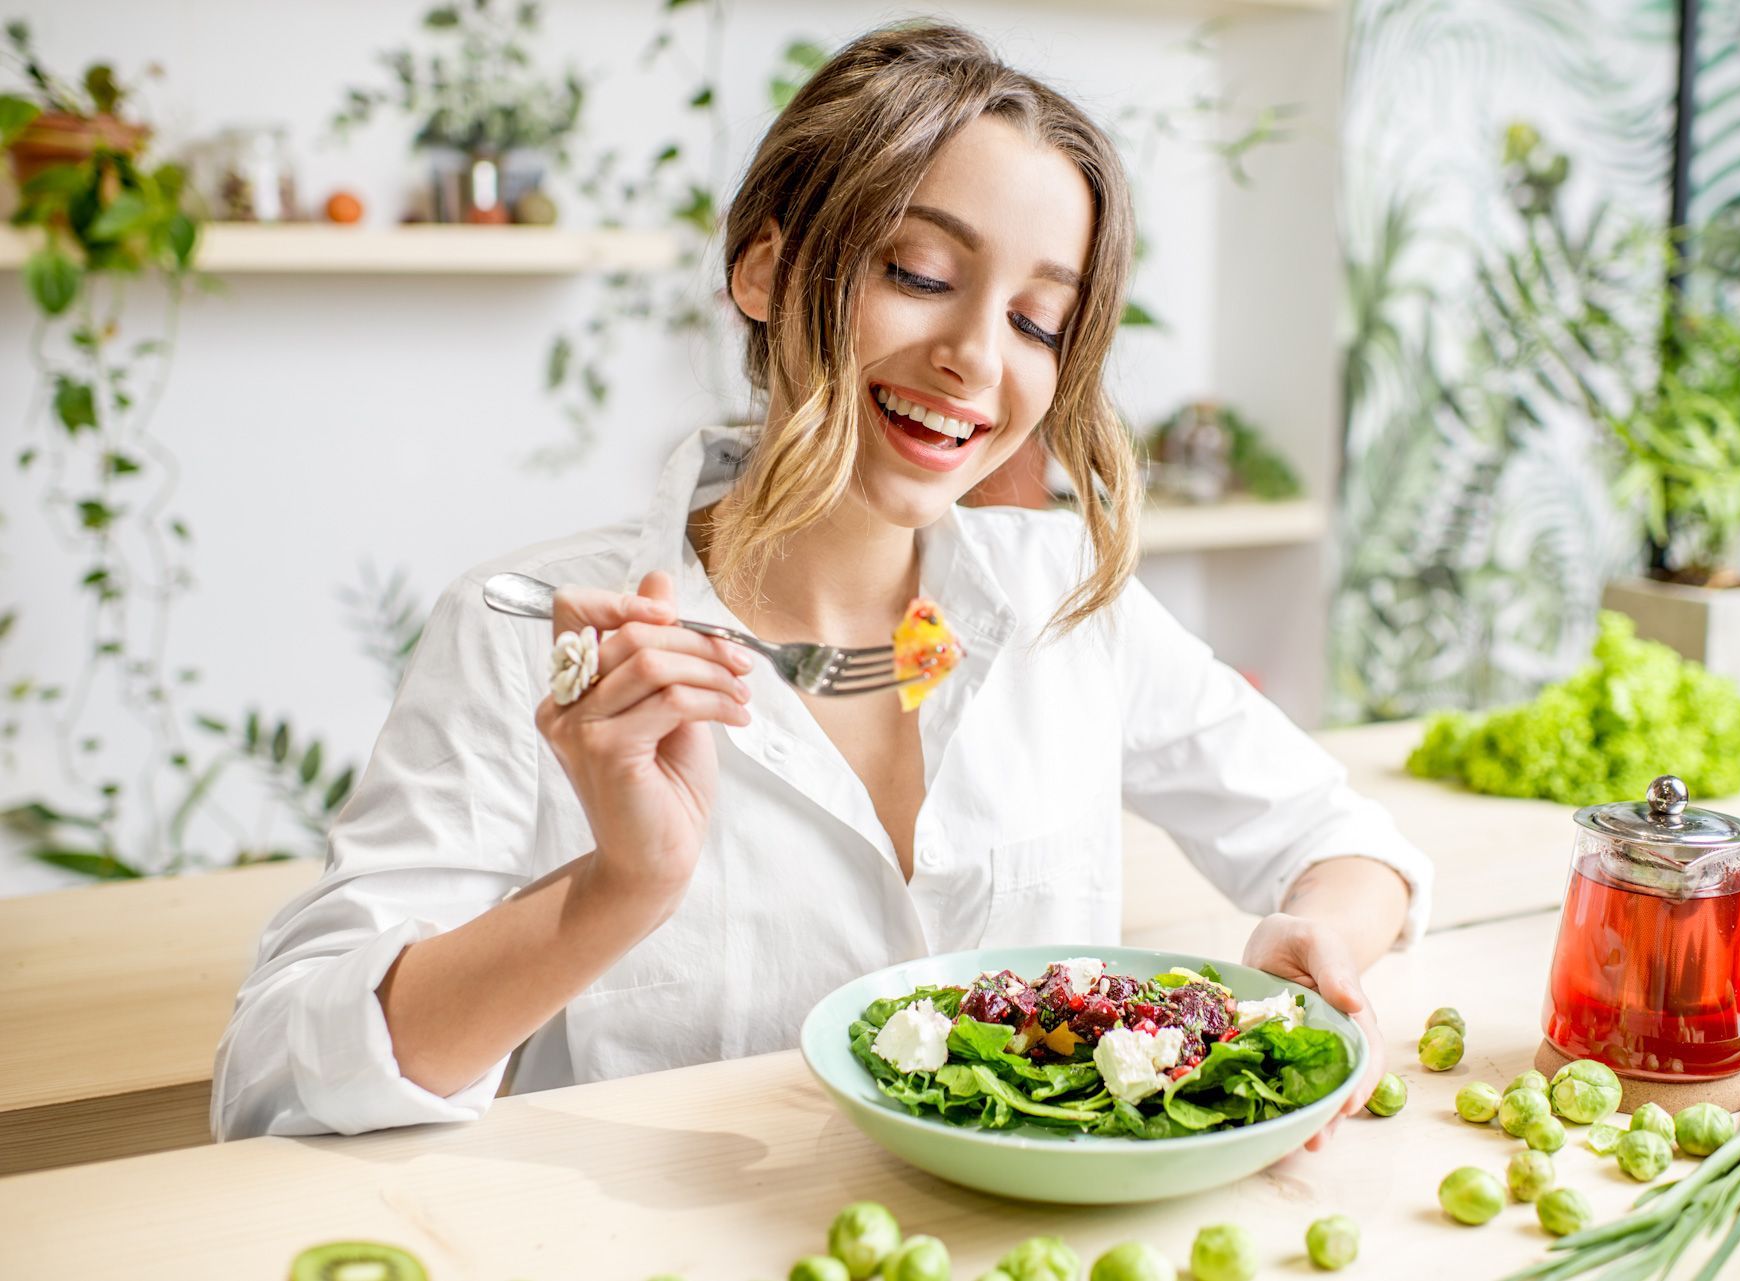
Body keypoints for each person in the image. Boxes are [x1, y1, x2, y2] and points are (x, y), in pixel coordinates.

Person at [212, 23, 1432, 1148]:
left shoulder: (1067, 597)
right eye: (915, 271)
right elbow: (274, 1079)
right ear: (764, 272)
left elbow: (1341, 840)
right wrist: (618, 886)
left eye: (1038, 320)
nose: (973, 359)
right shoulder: (532, 629)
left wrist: (1318, 942)